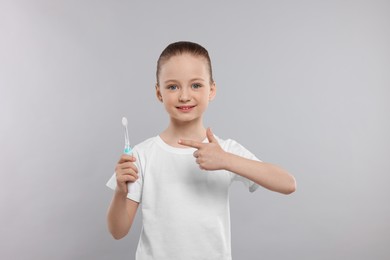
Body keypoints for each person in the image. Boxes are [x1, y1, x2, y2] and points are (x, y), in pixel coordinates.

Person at [106, 41, 296, 259]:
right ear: (159, 93)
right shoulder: (141, 155)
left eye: (196, 85)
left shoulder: (224, 150)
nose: (184, 96)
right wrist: (121, 191)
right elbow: (117, 231)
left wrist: (226, 160)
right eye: (172, 86)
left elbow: (288, 183)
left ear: (211, 90)